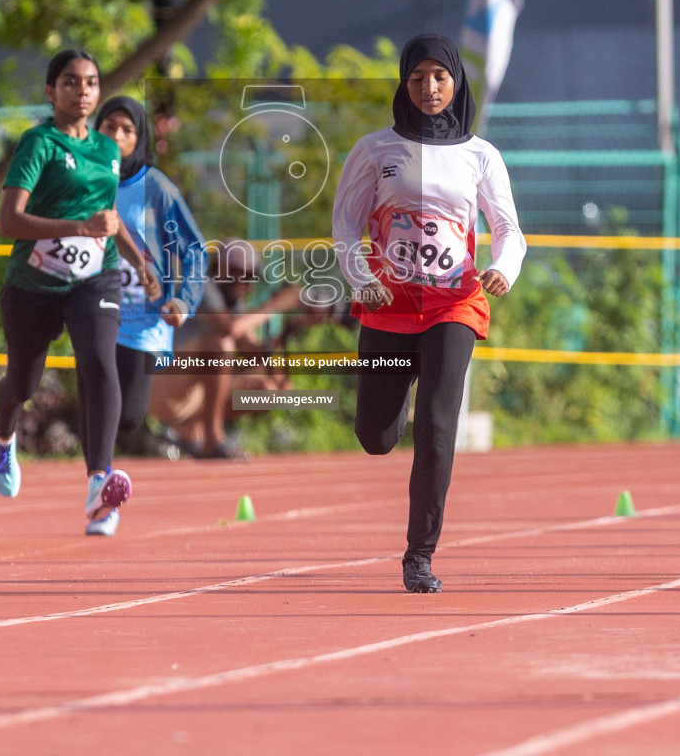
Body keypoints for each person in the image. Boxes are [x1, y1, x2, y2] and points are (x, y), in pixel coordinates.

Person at [332, 33, 526, 593]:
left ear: (456, 80)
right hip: (387, 308)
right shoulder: (374, 149)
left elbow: (509, 229)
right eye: (417, 78)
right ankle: (382, 421)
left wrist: (502, 270)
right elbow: (346, 227)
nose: (430, 87)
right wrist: (362, 280)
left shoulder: (480, 155)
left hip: (454, 304)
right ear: (404, 83)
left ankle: (420, 555)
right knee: (375, 435)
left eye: (440, 77)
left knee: (437, 427)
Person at [0, 48, 160, 537]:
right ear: (50, 91)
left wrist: (139, 262)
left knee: (100, 364)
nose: (81, 90)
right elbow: (8, 221)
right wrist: (77, 227)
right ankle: (3, 436)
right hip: (33, 284)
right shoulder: (38, 143)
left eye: (89, 82)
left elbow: (108, 216)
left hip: (94, 278)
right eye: (69, 82)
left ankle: (99, 485)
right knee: (22, 384)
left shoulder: (108, 150)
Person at [93, 95, 207, 452]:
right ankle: (98, 478)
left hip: (143, 317)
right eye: (109, 126)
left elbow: (195, 249)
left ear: (138, 138)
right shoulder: (85, 181)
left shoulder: (155, 186)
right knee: (99, 408)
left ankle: (105, 467)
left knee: (127, 417)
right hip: (95, 307)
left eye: (127, 129)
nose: (116, 135)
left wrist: (184, 301)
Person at [153, 241, 300, 458]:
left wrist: (292, 328)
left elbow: (254, 353)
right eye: (244, 276)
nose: (248, 285)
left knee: (272, 389)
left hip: (190, 394)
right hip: (161, 386)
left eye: (252, 277)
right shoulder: (201, 286)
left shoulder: (232, 303)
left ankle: (189, 430)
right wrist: (276, 305)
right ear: (224, 270)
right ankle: (212, 440)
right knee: (219, 344)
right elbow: (228, 329)